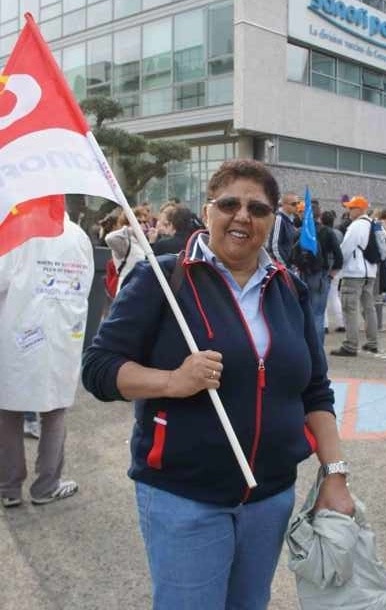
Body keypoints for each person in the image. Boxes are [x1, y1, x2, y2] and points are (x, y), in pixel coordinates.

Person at [82, 159, 354, 610]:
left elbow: (316, 391)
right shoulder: (163, 278)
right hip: (184, 497)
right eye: (229, 203)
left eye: (258, 208)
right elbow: (98, 367)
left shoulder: (290, 288)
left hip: (269, 499)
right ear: (207, 211)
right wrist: (172, 380)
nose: (243, 216)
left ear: (272, 220)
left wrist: (335, 475)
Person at [0, 213, 94, 508]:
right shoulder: (78, 235)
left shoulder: (16, 229)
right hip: (63, 334)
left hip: (19, 331)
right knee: (54, 410)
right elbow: (87, 282)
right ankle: (46, 485)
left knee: (7, 410)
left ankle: (9, 488)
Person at [331, 195, 379, 357]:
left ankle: (351, 344)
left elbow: (345, 249)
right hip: (370, 271)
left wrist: (337, 266)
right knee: (368, 307)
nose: (349, 211)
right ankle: (372, 342)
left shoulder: (356, 226)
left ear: (360, 209)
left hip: (354, 272)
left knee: (349, 308)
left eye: (351, 208)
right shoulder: (373, 224)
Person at [294, 200, 343, 345]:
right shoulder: (327, 231)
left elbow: (292, 255)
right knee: (318, 314)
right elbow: (339, 256)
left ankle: (305, 346)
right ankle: (317, 349)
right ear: (319, 215)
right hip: (321, 276)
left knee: (304, 312)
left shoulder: (299, 232)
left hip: (302, 275)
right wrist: (331, 274)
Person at [104, 205, 147, 292]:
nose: (142, 225)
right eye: (138, 222)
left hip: (140, 286)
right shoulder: (124, 242)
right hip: (126, 287)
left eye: (144, 222)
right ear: (128, 223)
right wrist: (128, 230)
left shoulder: (141, 241)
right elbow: (109, 238)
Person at [267, 191, 299, 268]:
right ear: (284, 205)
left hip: (288, 265)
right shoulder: (279, 219)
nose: (297, 206)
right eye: (293, 204)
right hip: (280, 266)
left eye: (298, 203)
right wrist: (284, 265)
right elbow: (274, 246)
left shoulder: (290, 219)